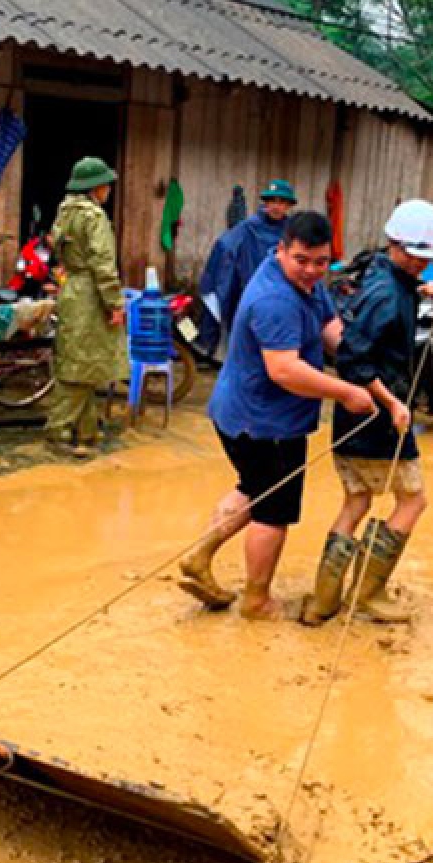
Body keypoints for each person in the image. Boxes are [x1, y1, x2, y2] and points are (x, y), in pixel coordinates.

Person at [180, 212, 376, 620]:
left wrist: (358, 357)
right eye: (301, 260)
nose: (311, 270)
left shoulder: (305, 283)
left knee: (255, 488)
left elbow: (329, 326)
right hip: (263, 422)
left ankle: (200, 555)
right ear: (282, 249)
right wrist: (347, 392)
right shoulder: (275, 298)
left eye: (321, 262)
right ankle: (256, 600)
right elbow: (284, 369)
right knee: (273, 512)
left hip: (244, 412)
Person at [301, 199, 433, 627]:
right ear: (396, 245)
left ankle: (323, 601)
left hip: (353, 420)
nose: (422, 263)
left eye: (427, 257)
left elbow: (388, 302)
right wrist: (394, 402)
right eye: (416, 255)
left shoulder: (382, 275)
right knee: (414, 500)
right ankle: (368, 592)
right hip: (380, 418)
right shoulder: (385, 292)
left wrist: (424, 290)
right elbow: (355, 360)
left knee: (357, 500)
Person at [45, 156, 127, 459]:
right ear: (97, 187)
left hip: (72, 289)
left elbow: (56, 247)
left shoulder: (64, 212)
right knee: (80, 368)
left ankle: (87, 431)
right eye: (106, 185)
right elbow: (103, 264)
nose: (108, 190)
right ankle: (58, 432)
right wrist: (115, 303)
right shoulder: (94, 217)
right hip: (90, 294)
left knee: (83, 363)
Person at [198, 179, 298, 357]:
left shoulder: (292, 231)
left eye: (282, 202)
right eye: (272, 201)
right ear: (266, 203)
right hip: (250, 291)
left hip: (280, 292)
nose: (276, 206)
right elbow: (224, 247)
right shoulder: (248, 228)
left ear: (289, 205)